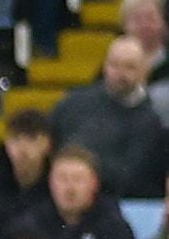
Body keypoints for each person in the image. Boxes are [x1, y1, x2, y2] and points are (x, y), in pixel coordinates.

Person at [48, 37, 169, 201]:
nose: (121, 73)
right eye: (115, 65)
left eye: (130, 67)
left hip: (137, 204)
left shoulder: (158, 118)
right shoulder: (73, 105)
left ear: (144, 70)